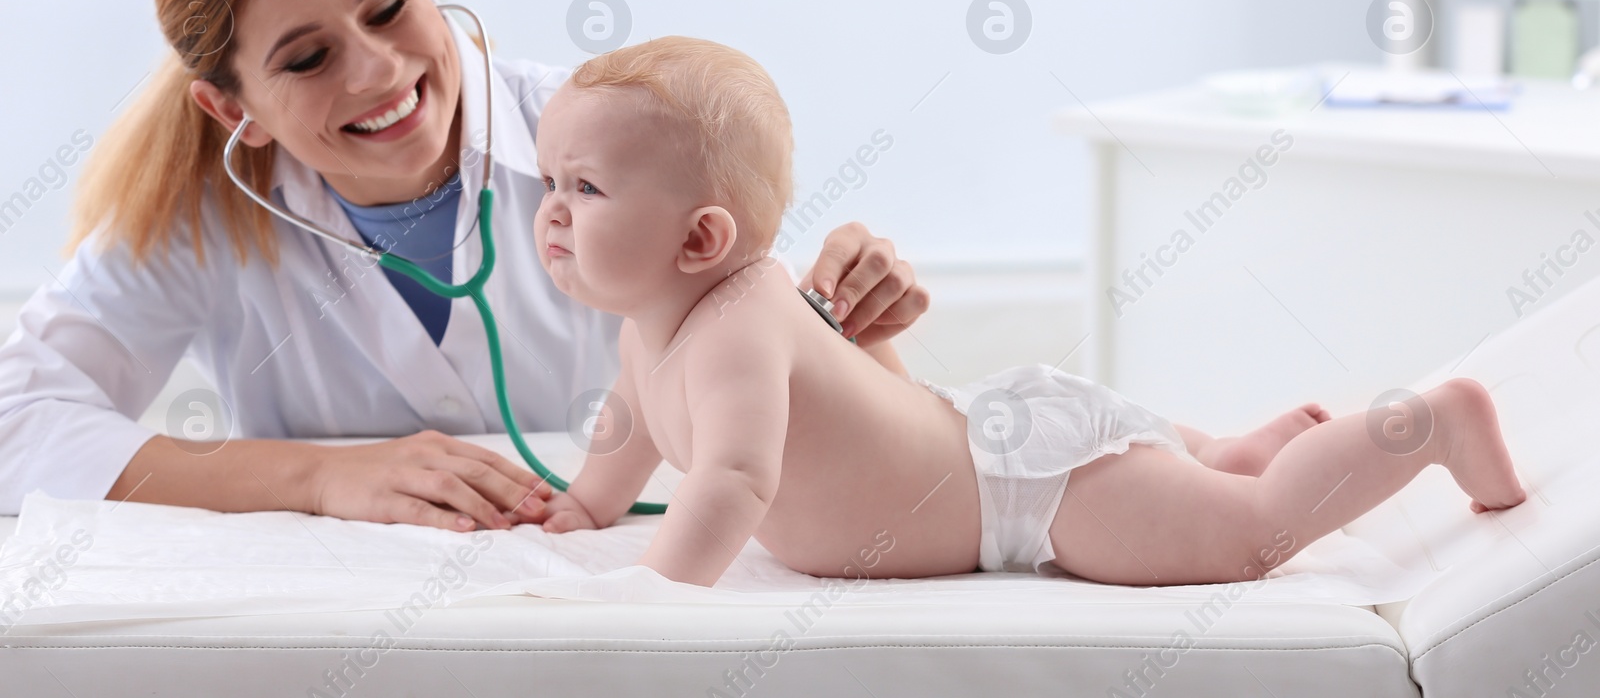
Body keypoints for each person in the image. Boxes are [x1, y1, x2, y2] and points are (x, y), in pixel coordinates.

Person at [0, 0, 933, 531]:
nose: (379, 70)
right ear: (231, 107)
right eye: (308, 57)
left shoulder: (617, 131)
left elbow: (775, 325)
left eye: (389, 6)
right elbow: (16, 425)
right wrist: (320, 477)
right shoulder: (195, 218)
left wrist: (852, 310)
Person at [523, 36, 1527, 588]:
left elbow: (735, 478)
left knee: (1248, 540)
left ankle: (1423, 426)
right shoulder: (652, 327)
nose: (550, 209)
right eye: (546, 179)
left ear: (700, 240)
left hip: (1030, 491)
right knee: (1198, 482)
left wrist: (653, 598)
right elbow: (634, 427)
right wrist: (591, 504)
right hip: (997, 438)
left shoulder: (742, 320)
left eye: (584, 187)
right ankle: (1226, 449)